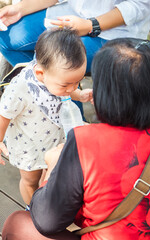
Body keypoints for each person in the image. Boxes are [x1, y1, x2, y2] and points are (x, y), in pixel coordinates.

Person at [2, 37, 150, 240]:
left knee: (18, 224)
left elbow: (46, 220)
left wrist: (52, 168)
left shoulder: (86, 143)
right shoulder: (22, 87)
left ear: (109, 93)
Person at [0, 28, 92, 206]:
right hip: (28, 147)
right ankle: (33, 210)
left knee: (47, 174)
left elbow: (65, 92)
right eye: (67, 84)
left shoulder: (57, 79)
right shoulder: (20, 88)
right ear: (40, 74)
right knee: (30, 181)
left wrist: (79, 95)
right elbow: (3, 115)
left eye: (77, 82)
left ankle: (45, 201)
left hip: (52, 139)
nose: (72, 88)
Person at [0, 0, 150, 73]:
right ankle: (43, 94)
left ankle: (71, 125)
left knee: (60, 63)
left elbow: (141, 4)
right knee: (5, 35)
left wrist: (91, 25)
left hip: (115, 32)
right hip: (71, 13)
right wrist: (19, 9)